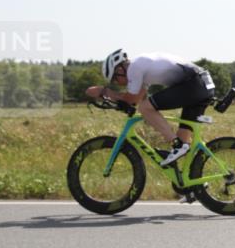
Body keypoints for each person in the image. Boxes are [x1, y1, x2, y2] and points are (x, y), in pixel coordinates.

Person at [86, 49, 215, 166]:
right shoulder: (141, 68)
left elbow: (131, 99)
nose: (116, 83)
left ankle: (176, 144)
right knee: (183, 143)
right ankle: (190, 184)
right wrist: (118, 102)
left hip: (195, 84)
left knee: (145, 108)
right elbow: (134, 100)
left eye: (114, 79)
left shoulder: (134, 68)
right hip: (201, 83)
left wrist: (105, 92)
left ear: (119, 70)